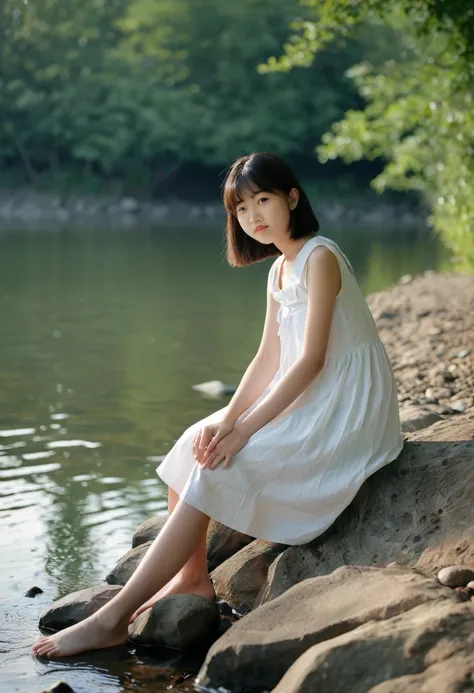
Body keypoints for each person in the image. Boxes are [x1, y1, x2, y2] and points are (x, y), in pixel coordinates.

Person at [32, 152, 403, 659]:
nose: (254, 216)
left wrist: (245, 431)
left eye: (263, 200)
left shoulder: (321, 256)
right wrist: (227, 420)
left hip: (344, 405)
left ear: (292, 198)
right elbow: (267, 357)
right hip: (313, 394)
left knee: (220, 467)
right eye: (242, 208)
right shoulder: (279, 270)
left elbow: (312, 360)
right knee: (195, 442)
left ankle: (112, 618)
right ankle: (191, 579)